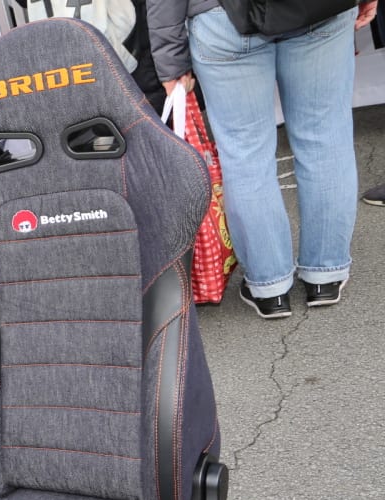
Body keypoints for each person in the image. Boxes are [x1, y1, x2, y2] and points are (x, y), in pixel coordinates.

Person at [146, 0, 379, 318]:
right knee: (324, 137)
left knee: (245, 154)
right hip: (321, 10)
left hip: (222, 17)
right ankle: (326, 275)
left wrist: (170, 60)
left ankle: (270, 287)